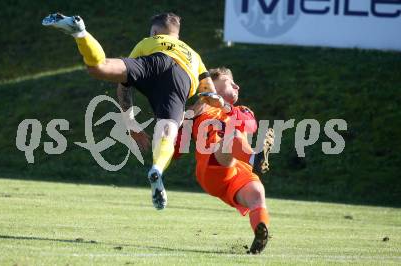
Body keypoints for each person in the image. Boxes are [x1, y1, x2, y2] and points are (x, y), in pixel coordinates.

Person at [42, 12, 224, 210]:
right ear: (177, 36)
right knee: (168, 131)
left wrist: (130, 123)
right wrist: (212, 104)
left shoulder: (148, 42)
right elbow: (209, 95)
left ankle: (81, 33)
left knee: (100, 67)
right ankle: (157, 169)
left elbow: (124, 85)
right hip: (181, 77)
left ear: (155, 32)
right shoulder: (194, 54)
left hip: (154, 62)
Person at [173, 67, 274, 254]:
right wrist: (179, 122)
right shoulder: (196, 112)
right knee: (231, 137)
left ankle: (259, 237)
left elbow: (251, 125)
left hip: (238, 170)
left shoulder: (241, 110)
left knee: (257, 193)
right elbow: (176, 150)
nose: (237, 86)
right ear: (211, 83)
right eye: (229, 81)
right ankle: (256, 157)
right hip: (211, 169)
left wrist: (223, 106)